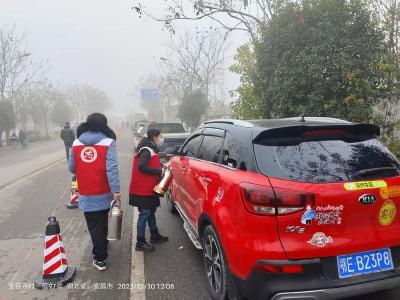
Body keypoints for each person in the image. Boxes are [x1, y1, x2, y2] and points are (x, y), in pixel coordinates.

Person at [68, 113, 121, 271]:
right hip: (104, 192)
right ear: (104, 125)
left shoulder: (76, 143)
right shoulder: (108, 142)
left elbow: (71, 168)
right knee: (103, 221)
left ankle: (100, 254)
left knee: (94, 225)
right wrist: (116, 190)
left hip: (85, 192)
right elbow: (111, 169)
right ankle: (100, 255)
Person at [129, 128, 168, 252]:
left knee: (150, 211)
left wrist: (161, 166)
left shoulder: (150, 148)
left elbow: (151, 163)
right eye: (160, 136)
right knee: (145, 213)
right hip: (142, 189)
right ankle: (140, 242)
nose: (162, 138)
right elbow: (142, 166)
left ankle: (154, 235)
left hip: (148, 187)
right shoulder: (146, 149)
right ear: (154, 137)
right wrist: (159, 171)